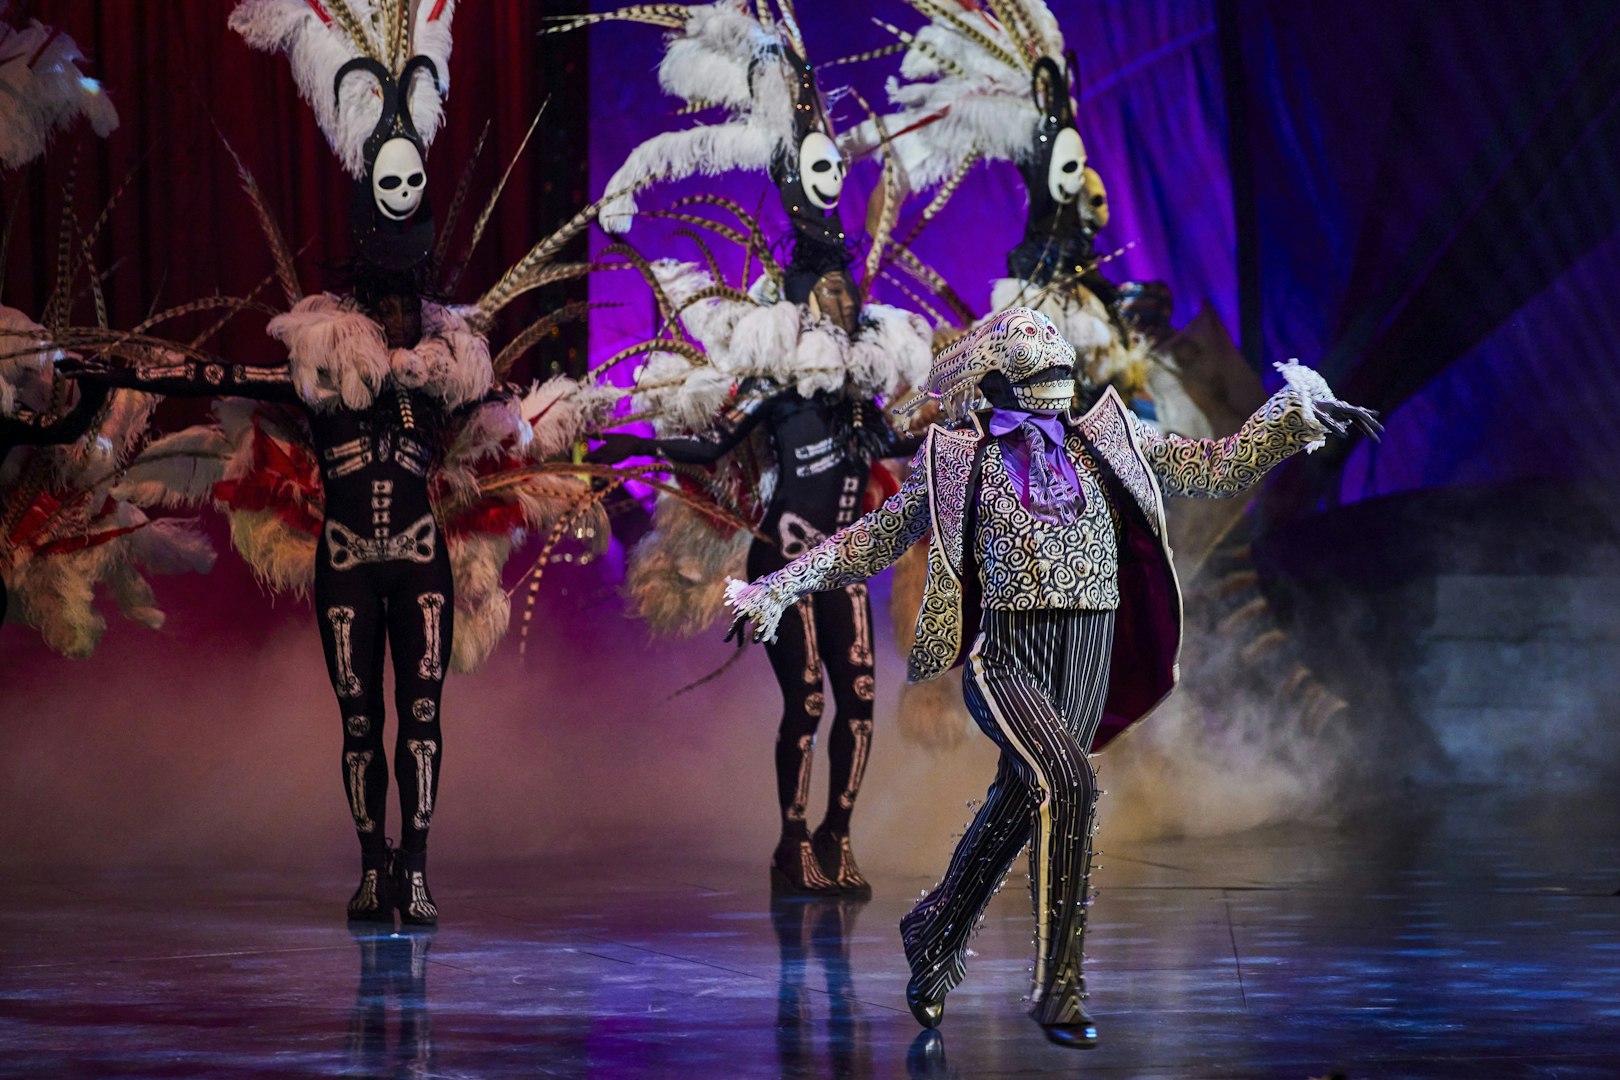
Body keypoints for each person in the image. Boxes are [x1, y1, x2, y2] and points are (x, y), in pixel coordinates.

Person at [725, 307, 1380, 1047]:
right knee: (1068, 784)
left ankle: (935, 932)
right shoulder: (958, 462)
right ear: (1001, 383)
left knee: (1017, 803)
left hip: (1088, 654)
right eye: (1041, 372)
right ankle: (1059, 989)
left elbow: (1214, 467)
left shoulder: (1109, 439)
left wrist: (1291, 419)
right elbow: (871, 541)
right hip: (1006, 658)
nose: (1059, 383)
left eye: (1062, 368)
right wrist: (777, 587)